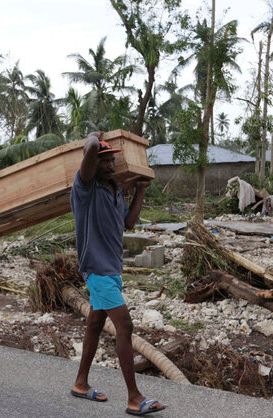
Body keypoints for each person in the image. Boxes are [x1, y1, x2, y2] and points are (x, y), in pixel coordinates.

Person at [69, 132, 166, 416]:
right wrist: (93, 138)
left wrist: (140, 189)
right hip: (96, 270)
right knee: (125, 327)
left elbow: (130, 223)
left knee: (95, 325)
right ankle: (134, 398)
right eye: (105, 161)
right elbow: (88, 150)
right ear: (94, 164)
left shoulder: (113, 190)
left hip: (112, 270)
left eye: (113, 160)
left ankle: (80, 383)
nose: (111, 165)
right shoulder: (84, 188)